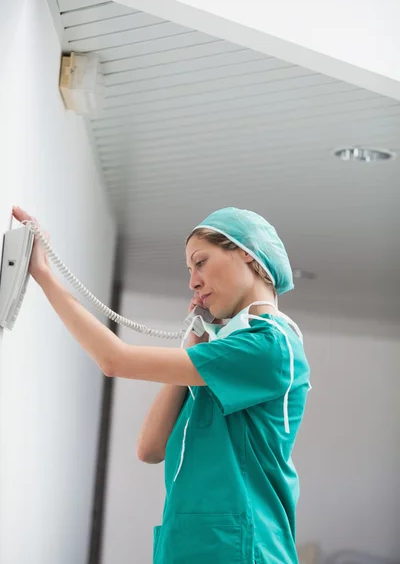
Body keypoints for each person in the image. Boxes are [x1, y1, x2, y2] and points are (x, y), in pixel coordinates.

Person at [12, 205, 310, 564]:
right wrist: (196, 342)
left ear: (246, 251)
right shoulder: (223, 357)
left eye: (201, 262)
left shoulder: (269, 346)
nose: (193, 282)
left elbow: (114, 360)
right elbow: (150, 448)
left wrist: (42, 274)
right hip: (195, 545)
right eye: (190, 270)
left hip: (242, 549)